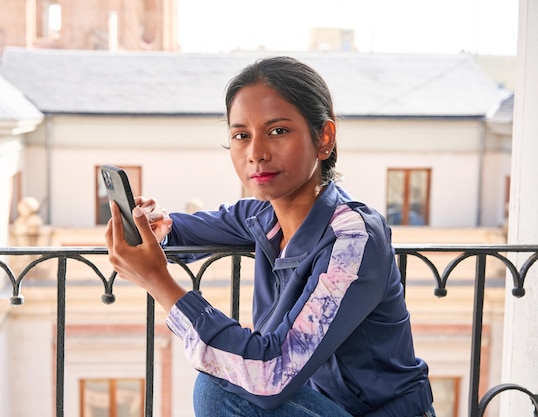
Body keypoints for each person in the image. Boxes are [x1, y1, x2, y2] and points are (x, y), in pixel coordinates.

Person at [105, 56, 436, 417]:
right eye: (241, 135)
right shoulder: (261, 216)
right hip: (316, 406)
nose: (256, 154)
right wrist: (152, 228)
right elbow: (180, 232)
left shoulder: (353, 238)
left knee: (220, 389)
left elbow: (269, 374)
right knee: (223, 382)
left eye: (278, 131)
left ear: (324, 138)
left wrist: (159, 282)